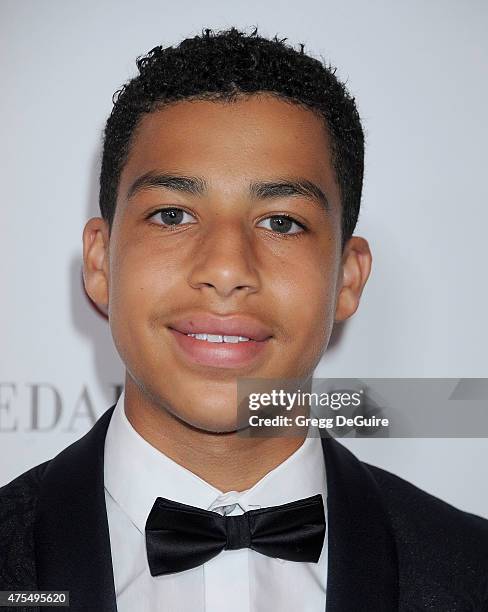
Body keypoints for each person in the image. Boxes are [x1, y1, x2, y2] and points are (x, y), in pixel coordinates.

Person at [1, 27, 487, 612]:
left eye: (281, 222)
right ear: (101, 261)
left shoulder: (472, 572)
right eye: (173, 214)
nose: (227, 268)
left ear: (349, 279)